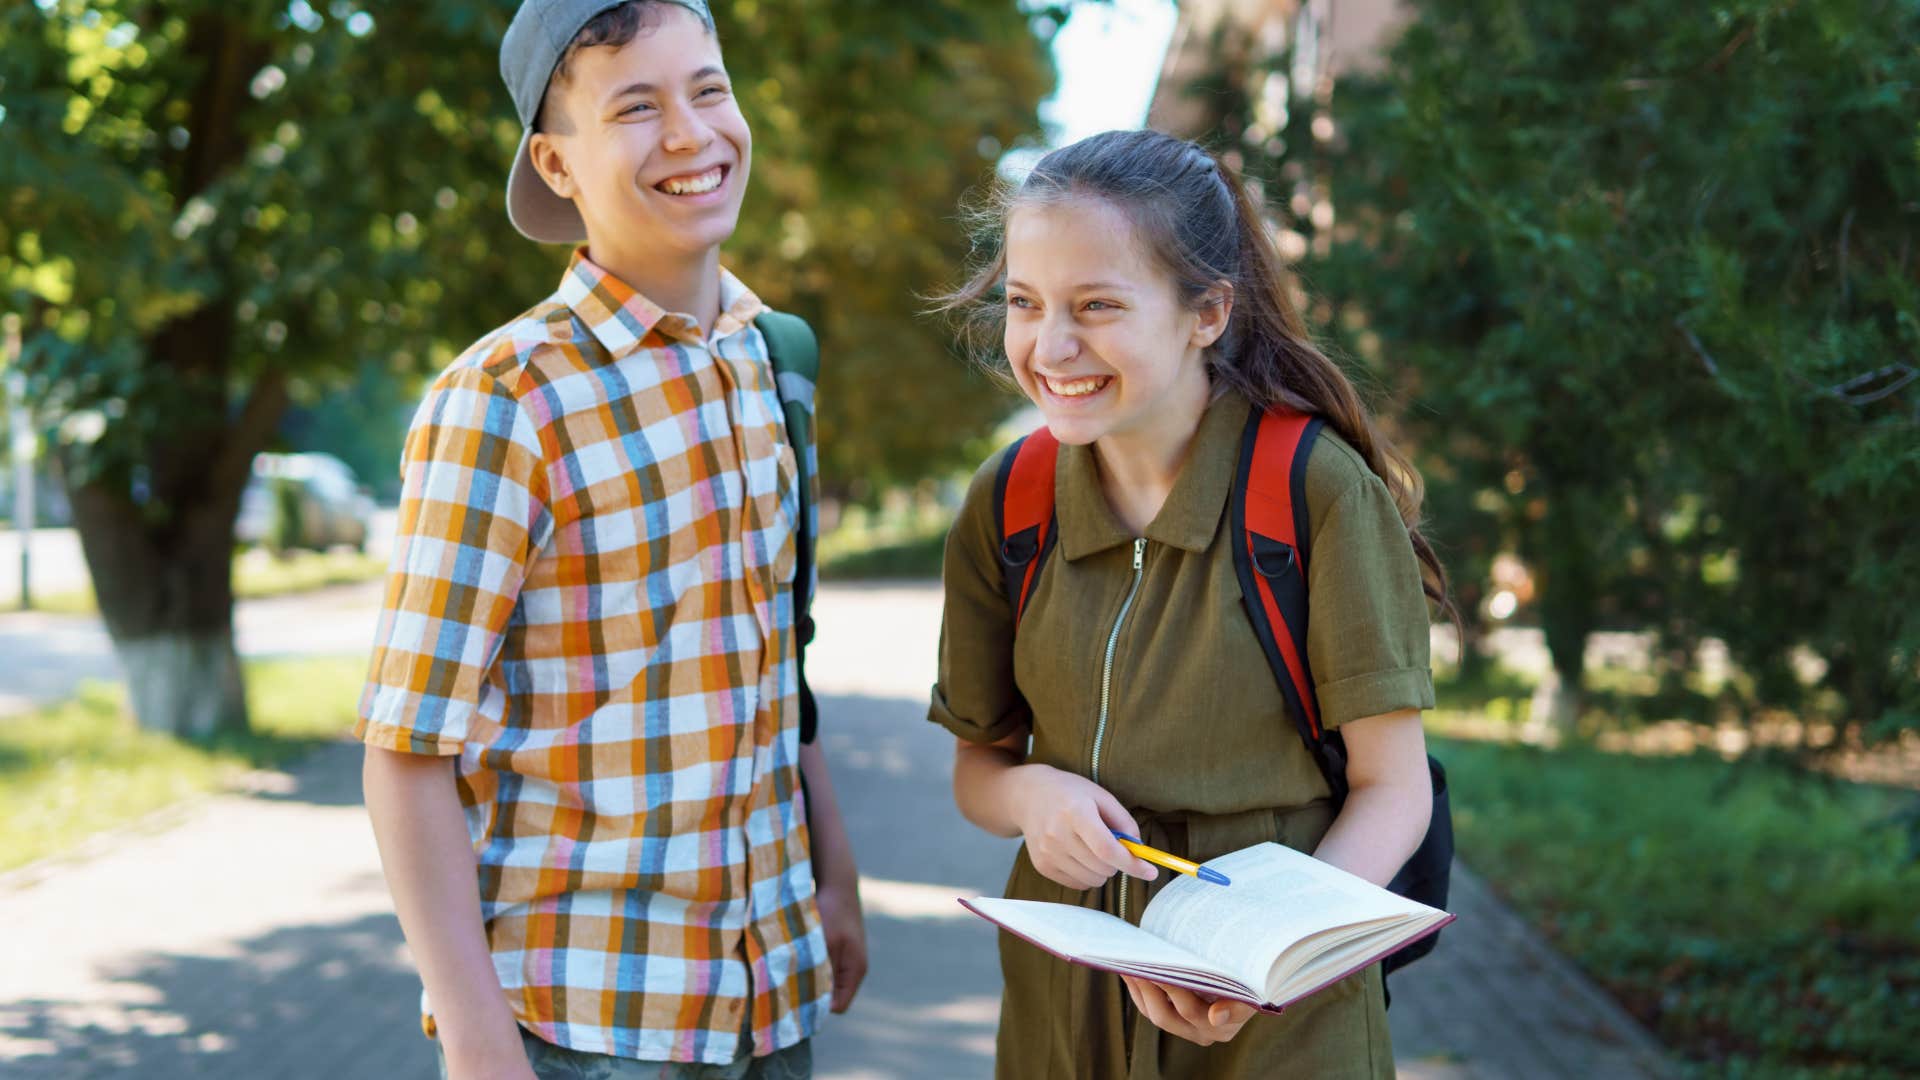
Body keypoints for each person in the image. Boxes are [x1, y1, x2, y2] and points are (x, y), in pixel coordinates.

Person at [356, 3, 864, 1078]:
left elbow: (780, 657)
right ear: (557, 162)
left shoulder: (773, 363)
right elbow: (407, 752)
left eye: (709, 89)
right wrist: (478, 1035)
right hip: (585, 1024)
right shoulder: (506, 399)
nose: (690, 133)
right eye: (636, 106)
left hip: (772, 1001)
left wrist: (837, 882)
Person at [930, 128, 1455, 1078]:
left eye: (1098, 306)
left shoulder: (1314, 492)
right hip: (1065, 1010)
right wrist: (1030, 795)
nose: (1051, 346)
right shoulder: (1006, 503)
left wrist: (1259, 958)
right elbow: (979, 771)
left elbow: (1395, 790)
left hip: (1276, 1014)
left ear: (1206, 312)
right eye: (1024, 302)